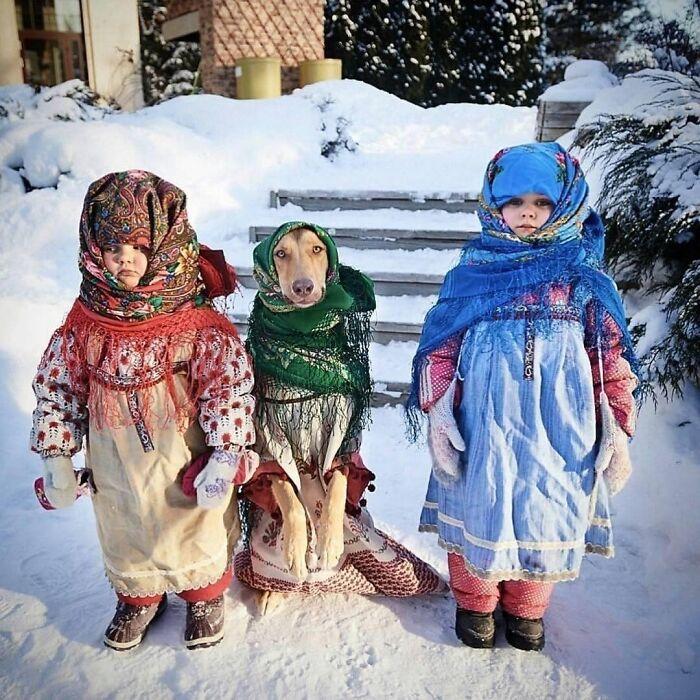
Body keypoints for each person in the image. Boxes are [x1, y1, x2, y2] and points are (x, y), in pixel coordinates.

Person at [406, 143, 639, 651]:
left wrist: (617, 423)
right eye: (513, 201)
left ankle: (527, 606)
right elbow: (441, 345)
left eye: (541, 201)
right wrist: (440, 410)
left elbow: (607, 353)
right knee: (480, 500)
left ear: (565, 203)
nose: (527, 212)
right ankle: (475, 601)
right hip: (484, 420)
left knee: (548, 505)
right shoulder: (474, 267)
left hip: (561, 423)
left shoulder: (581, 273)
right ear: (493, 204)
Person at [30, 170, 257, 651]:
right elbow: (59, 385)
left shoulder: (192, 320)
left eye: (139, 247)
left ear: (164, 246)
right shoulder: (86, 321)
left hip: (181, 449)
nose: (125, 259)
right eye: (113, 248)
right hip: (114, 456)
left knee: (191, 521)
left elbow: (227, 385)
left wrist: (224, 453)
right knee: (124, 522)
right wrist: (57, 458)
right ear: (94, 250)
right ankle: (139, 595)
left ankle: (203, 594)